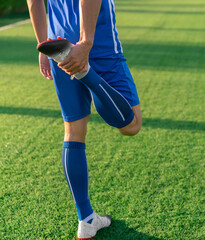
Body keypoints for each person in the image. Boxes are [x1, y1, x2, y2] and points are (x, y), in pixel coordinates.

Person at [26, 0, 142, 238]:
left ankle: (86, 219)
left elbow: (34, 1)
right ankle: (87, 73)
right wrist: (86, 43)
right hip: (97, 41)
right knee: (132, 125)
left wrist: (43, 46)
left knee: (73, 131)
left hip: (58, 45)